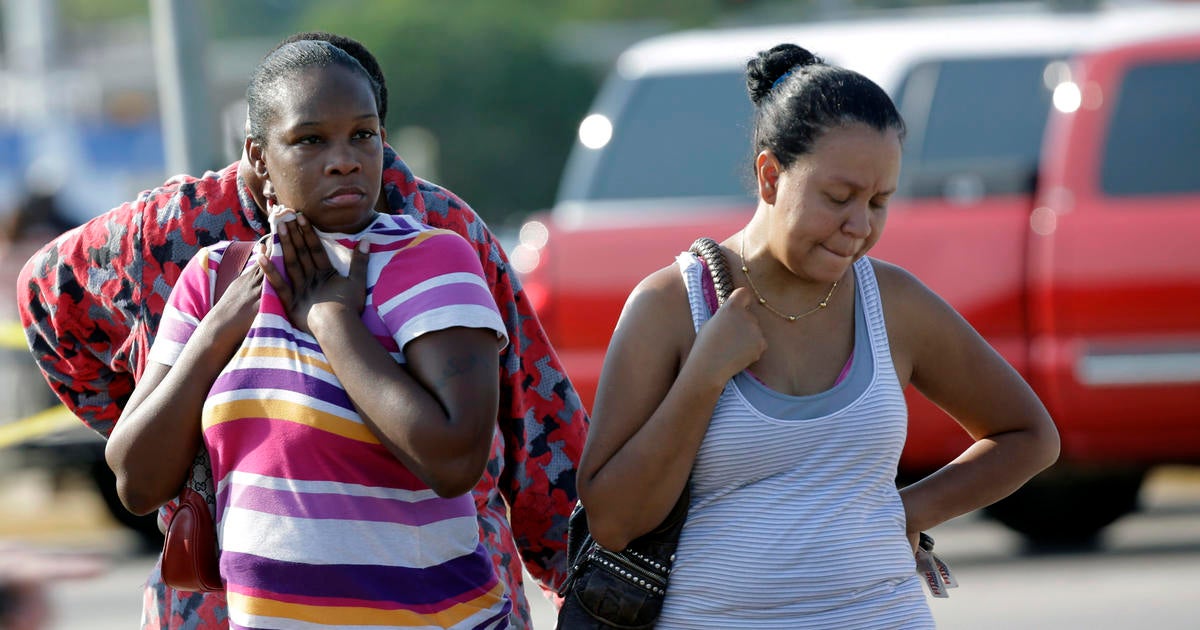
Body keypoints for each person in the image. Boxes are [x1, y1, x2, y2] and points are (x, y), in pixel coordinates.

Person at [15, 32, 586, 630]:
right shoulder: (184, 242)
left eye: (361, 135)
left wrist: (581, 586)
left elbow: (520, 418)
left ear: (380, 137)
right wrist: (181, 431)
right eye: (310, 137)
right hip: (230, 597)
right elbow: (49, 302)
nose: (344, 160)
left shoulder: (433, 234)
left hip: (432, 593)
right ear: (260, 153)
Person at [574, 43, 1060, 628]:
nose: (860, 226)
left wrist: (901, 513)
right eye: (838, 198)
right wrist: (703, 377)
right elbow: (613, 521)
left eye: (880, 202)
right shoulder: (671, 307)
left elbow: (1029, 436)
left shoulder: (893, 302)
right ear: (771, 175)